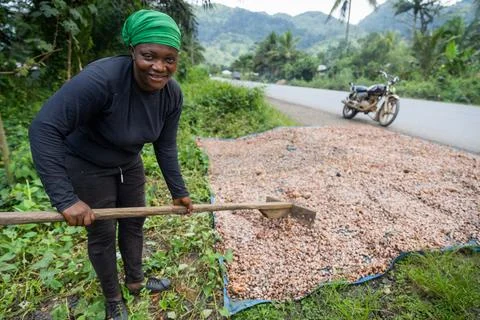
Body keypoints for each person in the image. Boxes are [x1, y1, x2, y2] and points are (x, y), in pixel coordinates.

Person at [29, 9, 193, 320]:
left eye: (169, 59)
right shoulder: (100, 80)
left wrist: (178, 190)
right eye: (149, 56)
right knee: (102, 233)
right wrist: (65, 198)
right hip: (86, 163)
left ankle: (135, 282)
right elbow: (44, 128)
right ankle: (113, 298)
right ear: (133, 51)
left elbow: (165, 145)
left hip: (128, 163)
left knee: (134, 222)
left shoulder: (171, 94)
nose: (159, 67)